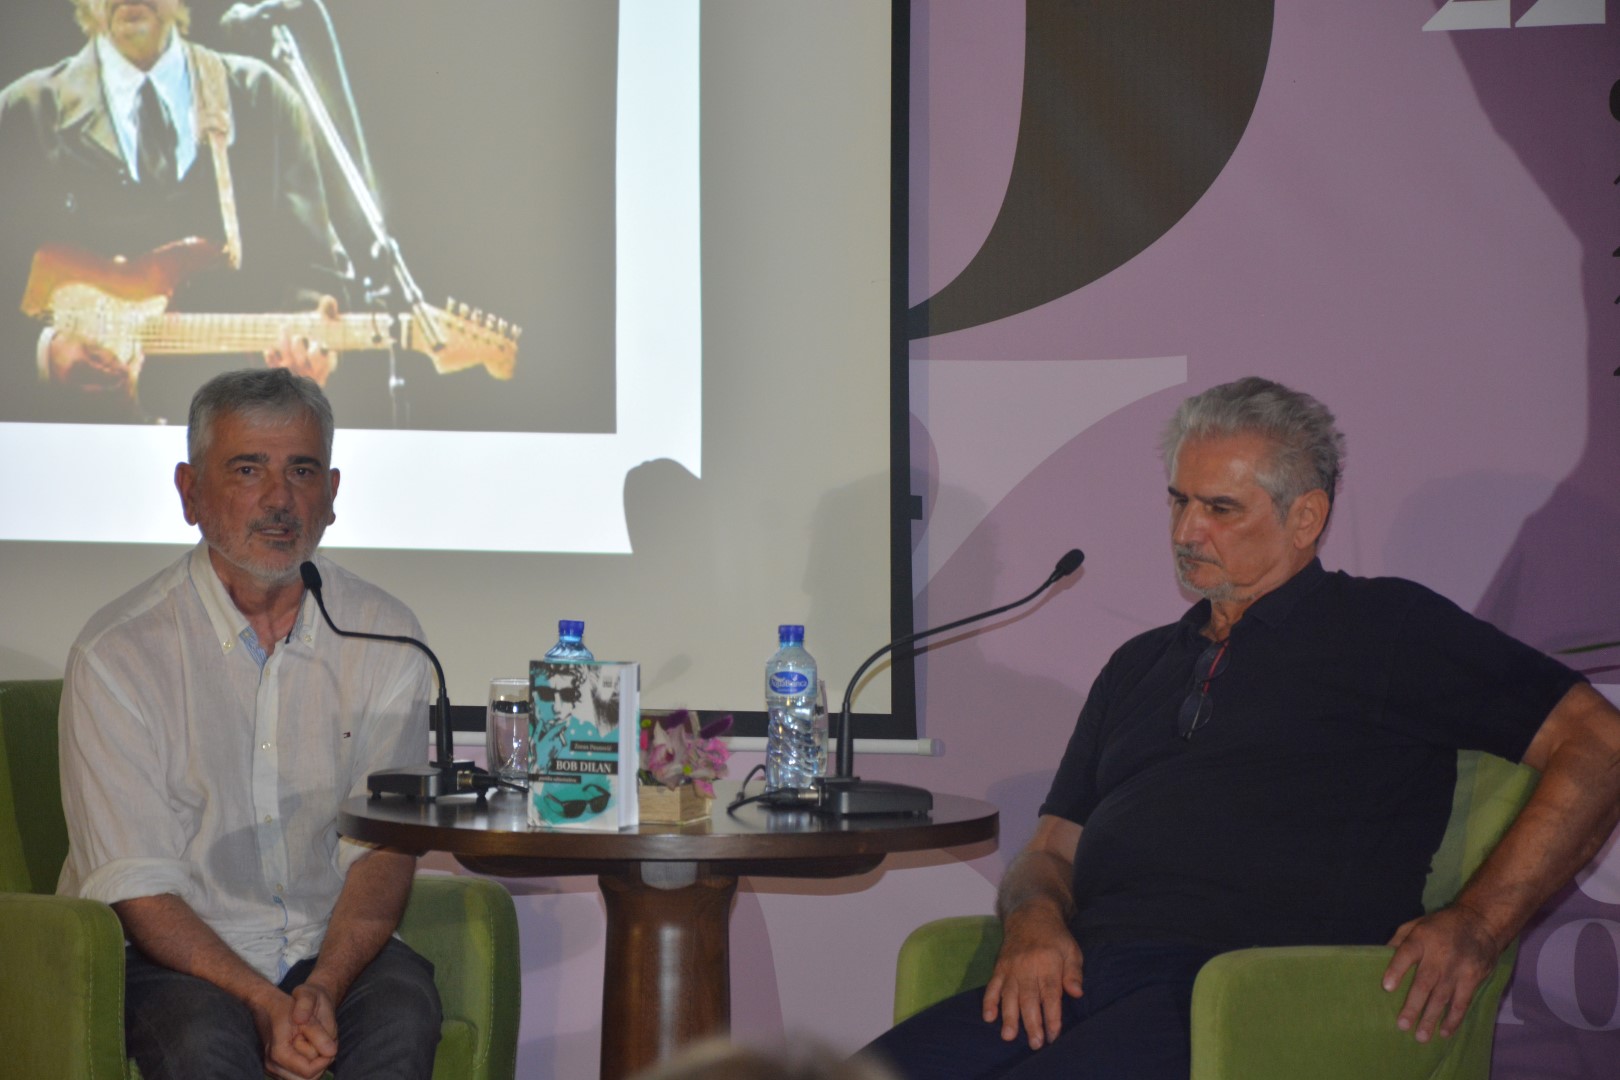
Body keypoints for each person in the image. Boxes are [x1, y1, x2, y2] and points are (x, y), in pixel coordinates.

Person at [864, 377, 1620, 1080]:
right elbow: (1052, 851)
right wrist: (1033, 917)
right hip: (1083, 978)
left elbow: (1600, 743)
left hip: (1246, 998)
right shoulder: (1137, 665)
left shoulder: (1389, 627)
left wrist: (1479, 923)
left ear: (1305, 518)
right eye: (1178, 501)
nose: (1186, 530)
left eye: (1220, 509)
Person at [56, 367, 442, 1080]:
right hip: (172, 957)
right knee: (204, 1043)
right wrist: (264, 1002)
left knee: (401, 1016)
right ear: (189, 493)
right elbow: (137, 886)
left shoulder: (387, 635)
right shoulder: (119, 653)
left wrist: (323, 986)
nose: (279, 499)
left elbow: (384, 852)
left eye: (302, 470)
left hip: (328, 947)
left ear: (332, 494)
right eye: (247, 469)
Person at [0, 0, 347, 425]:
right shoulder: (22, 114)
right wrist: (43, 354)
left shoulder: (263, 99)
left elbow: (312, 273)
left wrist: (310, 345)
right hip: (77, 442)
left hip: (233, 436)